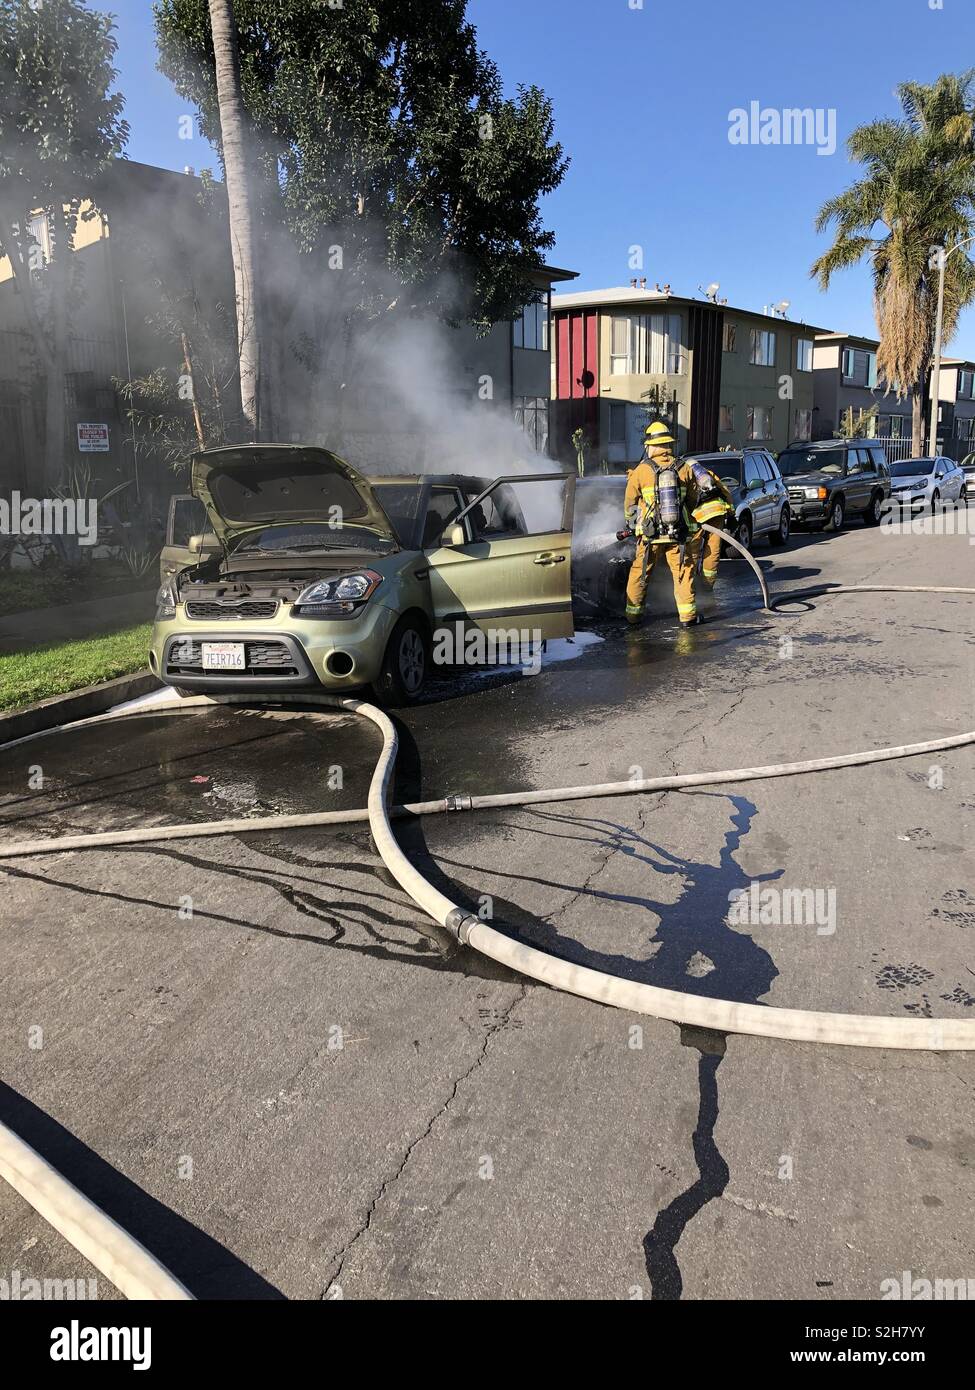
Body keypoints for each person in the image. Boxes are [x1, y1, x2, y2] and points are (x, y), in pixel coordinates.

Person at [623, 422, 728, 627]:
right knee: (682, 572)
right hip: (677, 534)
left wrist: (633, 523)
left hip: (649, 535)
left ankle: (633, 616)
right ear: (668, 444)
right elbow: (691, 500)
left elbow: (629, 503)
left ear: (652, 446)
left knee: (640, 573)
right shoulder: (683, 468)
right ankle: (688, 617)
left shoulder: (641, 471)